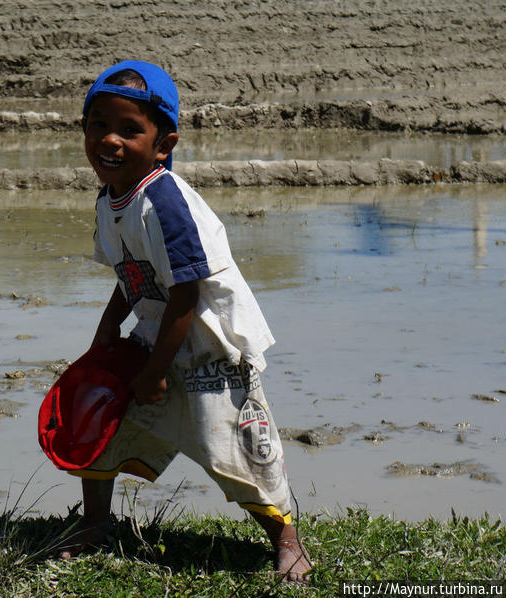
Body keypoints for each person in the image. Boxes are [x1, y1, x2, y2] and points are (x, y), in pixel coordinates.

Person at [55, 59, 312, 582]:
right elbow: (131, 276)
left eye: (130, 129)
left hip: (209, 350)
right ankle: (96, 522)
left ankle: (288, 540)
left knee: (238, 448)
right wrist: (106, 336)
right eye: (99, 125)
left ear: (164, 143)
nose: (111, 141)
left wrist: (154, 372)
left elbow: (186, 294)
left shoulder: (164, 202)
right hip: (159, 339)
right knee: (103, 423)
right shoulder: (110, 199)